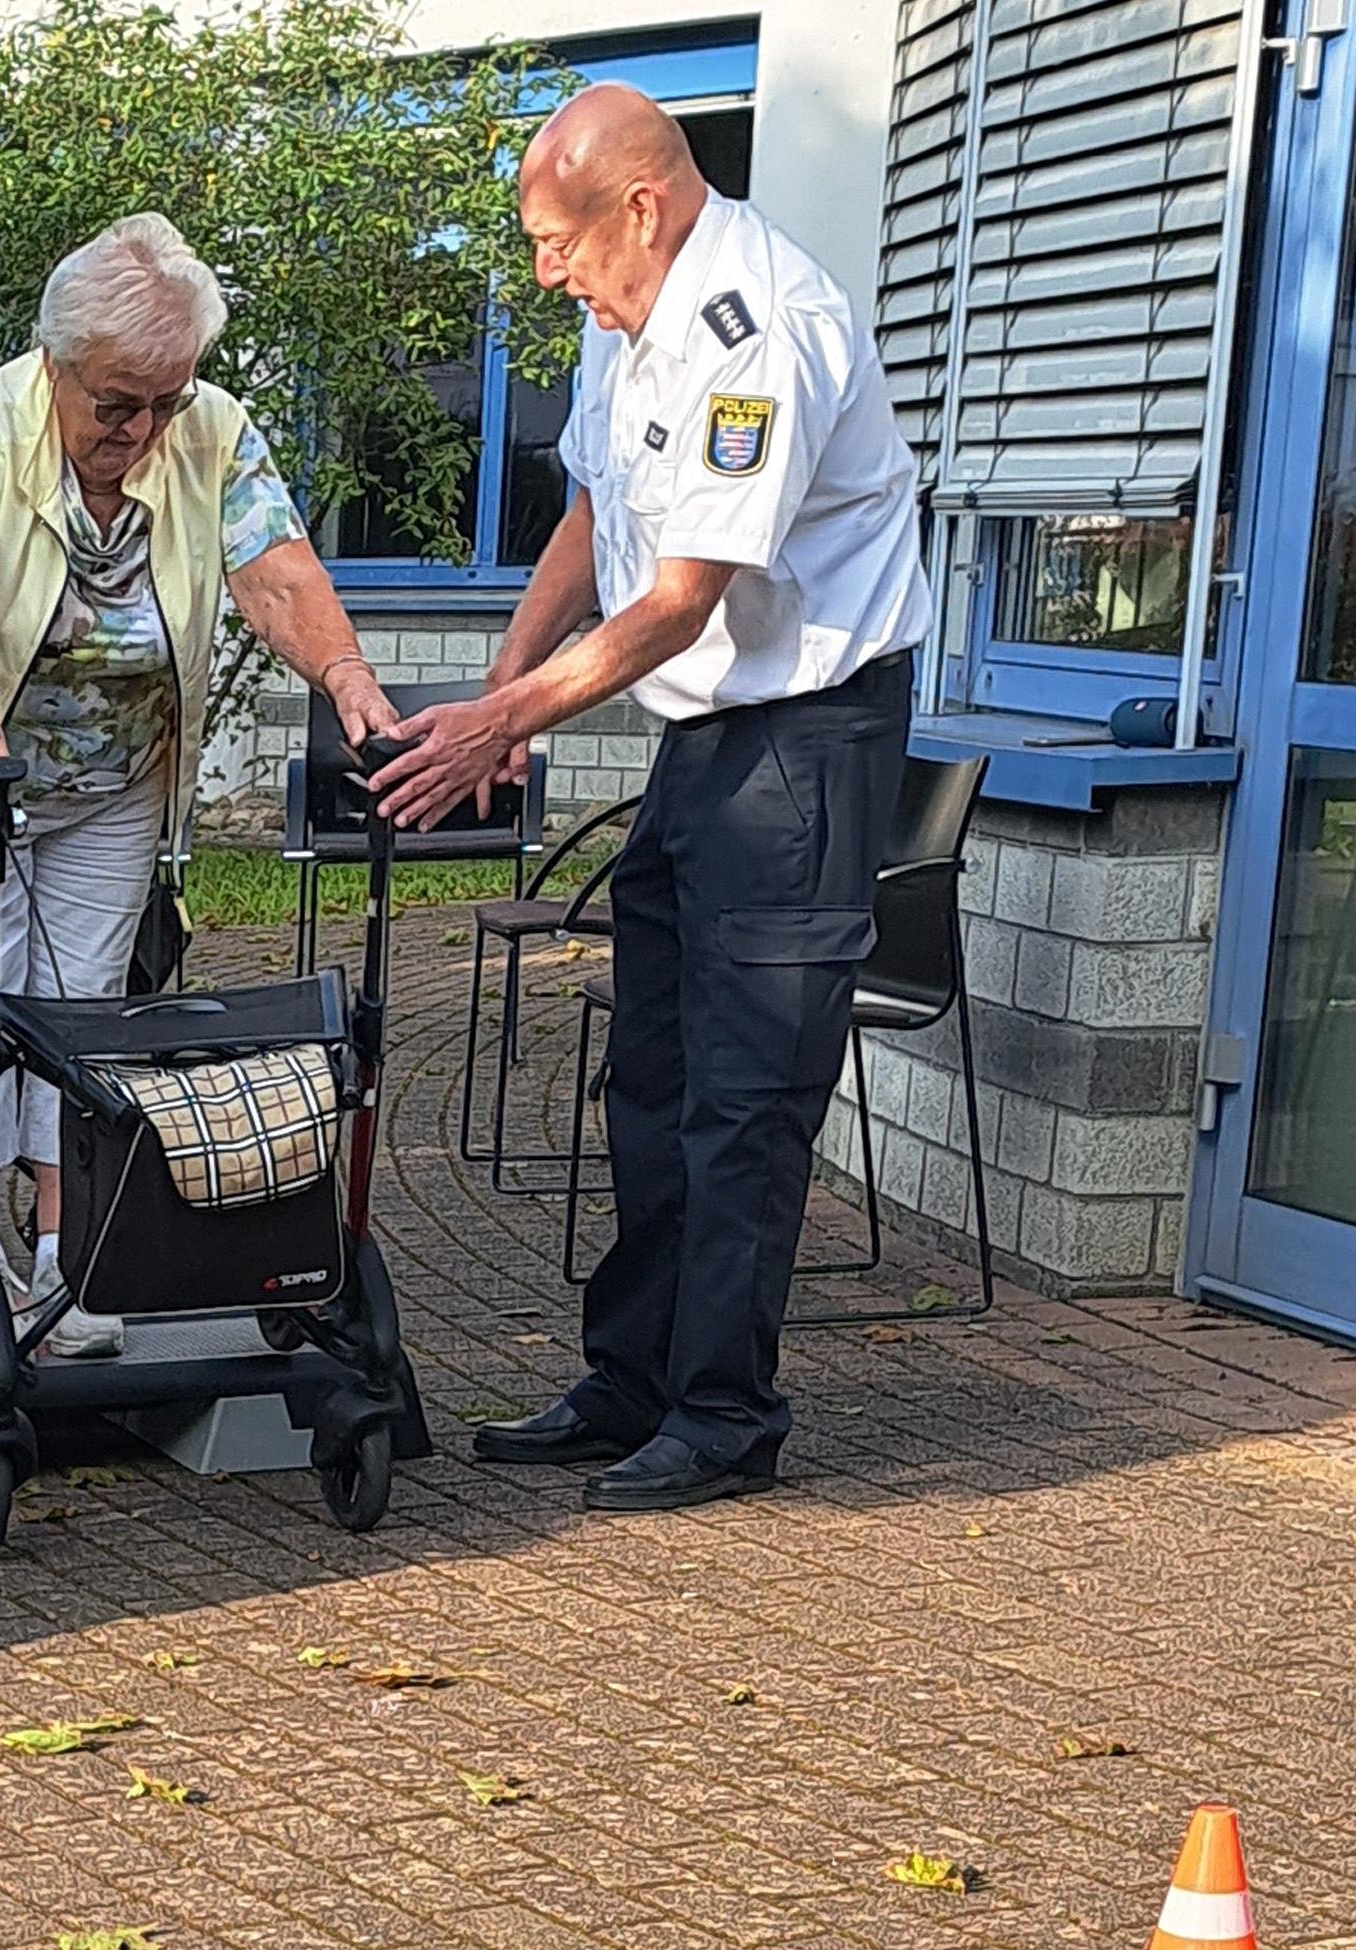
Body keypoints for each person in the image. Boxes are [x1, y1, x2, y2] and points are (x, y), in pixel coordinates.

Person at [370, 85, 933, 1512]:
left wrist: (503, 713)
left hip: (805, 744)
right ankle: (631, 1380)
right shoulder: (623, 306)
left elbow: (683, 601)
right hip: (705, 750)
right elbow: (587, 513)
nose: (545, 273)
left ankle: (725, 1414)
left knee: (746, 1097)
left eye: (557, 243)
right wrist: (507, 682)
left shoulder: (764, 335)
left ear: (642, 207)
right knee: (649, 1080)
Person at [0, 212, 402, 1360]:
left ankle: (71, 1268)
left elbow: (275, 569)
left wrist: (346, 675)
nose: (140, 430)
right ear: (54, 363)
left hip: (111, 777)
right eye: (116, 404)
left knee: (84, 1019)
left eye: (164, 401)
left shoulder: (210, 431)